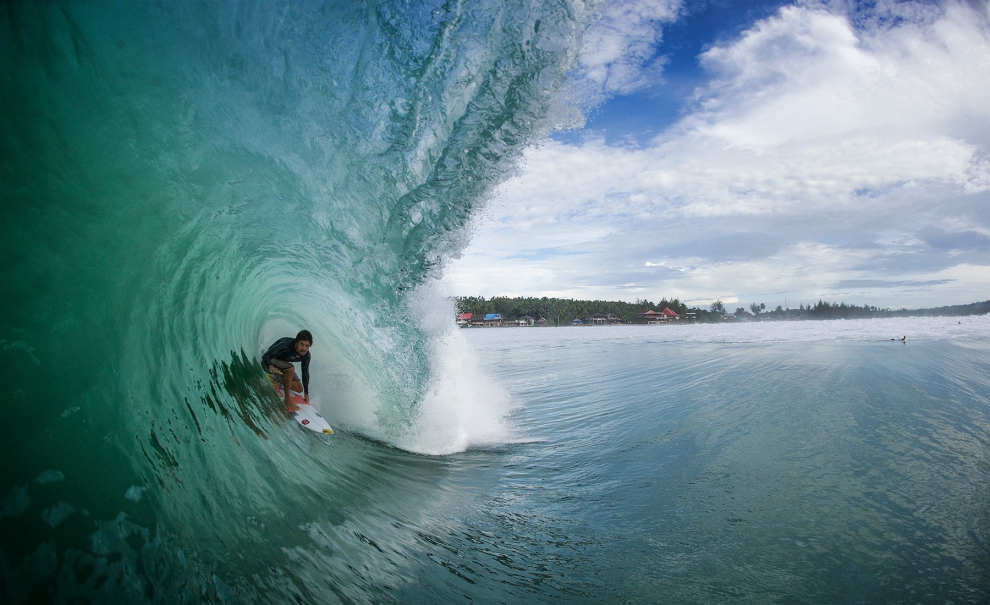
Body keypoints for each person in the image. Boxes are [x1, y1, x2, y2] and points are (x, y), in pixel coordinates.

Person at [262, 330, 312, 409]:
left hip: (281, 366)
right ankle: (287, 400)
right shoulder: (285, 345)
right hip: (270, 362)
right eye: (301, 344)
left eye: (307, 346)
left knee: (299, 388)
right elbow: (266, 355)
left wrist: (306, 393)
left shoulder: (306, 356)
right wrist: (270, 366)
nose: (304, 348)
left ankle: (277, 378)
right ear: (296, 342)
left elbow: (305, 373)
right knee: (290, 368)